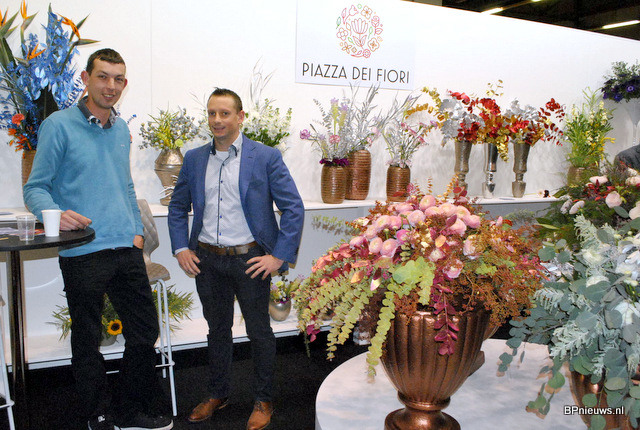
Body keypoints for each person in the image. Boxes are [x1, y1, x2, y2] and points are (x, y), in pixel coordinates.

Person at [23, 48, 173, 430]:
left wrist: (136, 231)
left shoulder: (121, 130)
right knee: (88, 339)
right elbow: (35, 188)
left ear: (125, 83)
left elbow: (125, 184)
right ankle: (98, 414)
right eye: (103, 76)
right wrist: (54, 214)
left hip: (126, 247)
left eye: (118, 79)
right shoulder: (58, 125)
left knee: (145, 331)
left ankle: (127, 409)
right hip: (83, 250)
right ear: (86, 79)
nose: (111, 85)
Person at [167, 88, 304, 430]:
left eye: (225, 113)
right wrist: (181, 247)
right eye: (212, 113)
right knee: (217, 331)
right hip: (207, 260)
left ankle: (263, 399)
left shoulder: (265, 156)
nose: (217, 120)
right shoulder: (195, 158)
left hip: (251, 261)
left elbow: (293, 207)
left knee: (259, 332)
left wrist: (278, 256)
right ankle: (218, 394)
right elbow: (177, 206)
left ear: (240, 117)